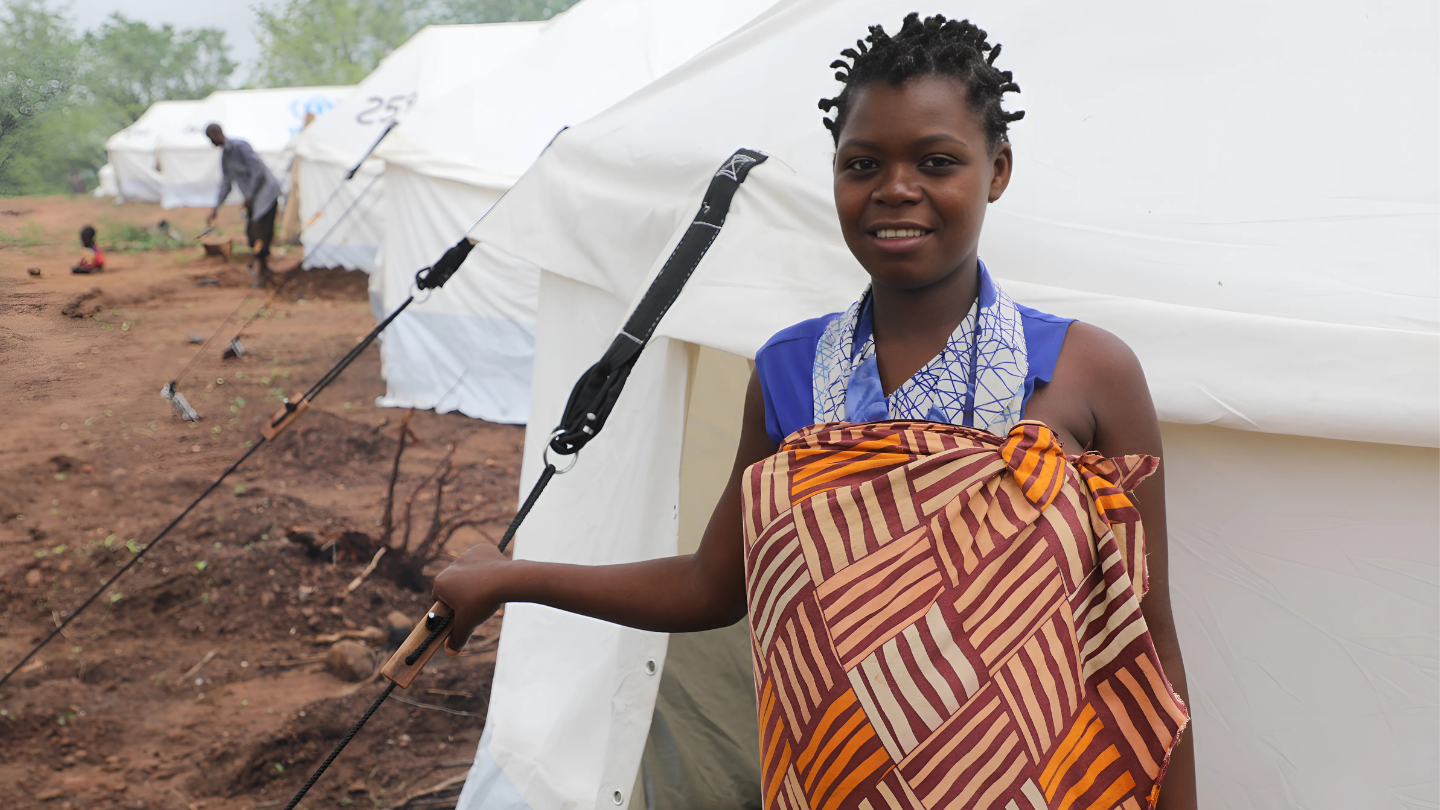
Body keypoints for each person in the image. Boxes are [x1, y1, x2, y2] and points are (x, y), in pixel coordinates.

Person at [434, 14, 1195, 809]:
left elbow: (1148, 632)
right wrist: (513, 577)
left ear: (997, 169)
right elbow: (711, 585)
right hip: (830, 784)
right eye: (863, 164)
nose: (896, 188)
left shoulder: (1085, 372)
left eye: (937, 161)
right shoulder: (790, 372)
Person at [204, 123, 282, 287]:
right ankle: (263, 269)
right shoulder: (225, 156)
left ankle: (261, 271)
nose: (211, 143)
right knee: (252, 233)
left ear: (216, 134)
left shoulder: (240, 147)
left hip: (266, 193)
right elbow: (226, 183)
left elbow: (257, 169)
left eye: (211, 139)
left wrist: (249, 195)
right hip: (253, 198)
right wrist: (215, 208)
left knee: (260, 230)